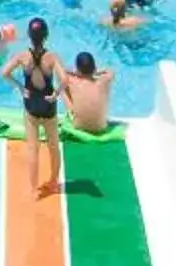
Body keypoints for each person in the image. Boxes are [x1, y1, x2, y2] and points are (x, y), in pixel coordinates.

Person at [9, 17, 64, 199]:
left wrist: (20, 87)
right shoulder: (52, 57)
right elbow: (66, 80)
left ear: (29, 36)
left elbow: (4, 72)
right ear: (46, 35)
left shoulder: (22, 56)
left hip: (31, 103)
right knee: (53, 146)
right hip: (48, 105)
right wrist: (56, 94)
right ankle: (54, 182)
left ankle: (33, 190)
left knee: (33, 148)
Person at [63, 49, 116, 132]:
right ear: (94, 67)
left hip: (79, 126)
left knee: (63, 88)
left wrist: (76, 73)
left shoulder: (73, 81)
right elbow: (110, 71)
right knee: (105, 89)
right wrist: (95, 73)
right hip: (101, 127)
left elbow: (62, 71)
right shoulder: (103, 81)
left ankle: (74, 113)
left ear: (78, 69)